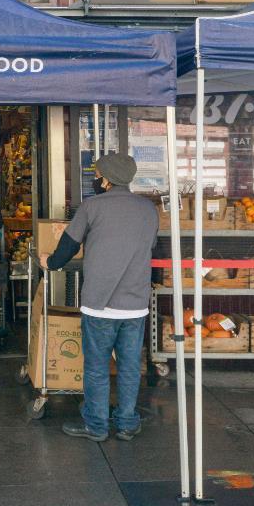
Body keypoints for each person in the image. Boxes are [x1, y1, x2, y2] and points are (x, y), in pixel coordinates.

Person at [40, 153, 156, 442]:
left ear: (105, 179)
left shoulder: (92, 206)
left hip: (100, 303)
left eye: (99, 174)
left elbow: (67, 246)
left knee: (96, 366)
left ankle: (96, 424)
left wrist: (49, 262)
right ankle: (127, 422)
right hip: (136, 303)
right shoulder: (148, 209)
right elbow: (150, 244)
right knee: (129, 367)